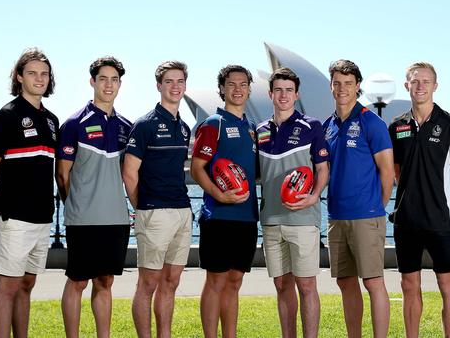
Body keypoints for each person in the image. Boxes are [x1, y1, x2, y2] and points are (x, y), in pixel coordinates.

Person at [388, 62, 450, 337]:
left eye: (426, 81)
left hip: (440, 220)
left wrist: (449, 205)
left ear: (435, 86)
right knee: (409, 284)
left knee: (447, 283)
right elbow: (396, 170)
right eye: (415, 81)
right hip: (406, 220)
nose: (420, 85)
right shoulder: (397, 126)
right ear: (406, 85)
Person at [56, 56, 132, 338]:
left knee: (105, 280)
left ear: (120, 84)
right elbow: (62, 174)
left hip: (116, 219)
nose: (109, 84)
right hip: (83, 219)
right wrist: (75, 204)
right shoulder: (74, 124)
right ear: (93, 82)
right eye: (103, 79)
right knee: (77, 282)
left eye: (114, 79)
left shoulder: (126, 126)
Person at [0, 48, 59, 338]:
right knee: (8, 286)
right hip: (13, 217)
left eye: (44, 74)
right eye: (32, 73)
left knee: (27, 285)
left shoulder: (52, 120)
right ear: (19, 77)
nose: (39, 78)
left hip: (43, 216)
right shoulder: (6, 116)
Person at [323, 59, 394, 338]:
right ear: (331, 86)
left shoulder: (371, 122)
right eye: (337, 83)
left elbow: (387, 170)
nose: (342, 89)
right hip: (336, 216)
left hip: (366, 216)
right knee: (345, 282)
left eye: (348, 84)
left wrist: (380, 205)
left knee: (373, 282)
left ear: (358, 87)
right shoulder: (328, 125)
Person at [257, 67, 329, 338]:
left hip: (302, 219)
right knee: (281, 285)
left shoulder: (312, 126)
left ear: (297, 95)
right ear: (270, 94)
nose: (283, 95)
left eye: (289, 90)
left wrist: (313, 196)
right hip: (272, 220)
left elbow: (323, 169)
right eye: (278, 90)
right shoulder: (260, 130)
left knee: (307, 285)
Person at [122, 61, 192, 338]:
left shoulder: (185, 128)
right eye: (169, 82)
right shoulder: (145, 125)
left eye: (180, 82)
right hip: (154, 212)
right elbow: (129, 174)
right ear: (159, 86)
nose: (175, 87)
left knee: (171, 281)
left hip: (182, 211)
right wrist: (143, 207)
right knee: (148, 282)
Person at [190, 65, 258, 338]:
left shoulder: (252, 128)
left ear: (250, 89)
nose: (238, 89)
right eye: (232, 84)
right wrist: (219, 194)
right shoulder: (212, 125)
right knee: (216, 281)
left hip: (247, 217)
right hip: (218, 216)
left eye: (243, 84)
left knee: (235, 281)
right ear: (221, 89)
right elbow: (197, 168)